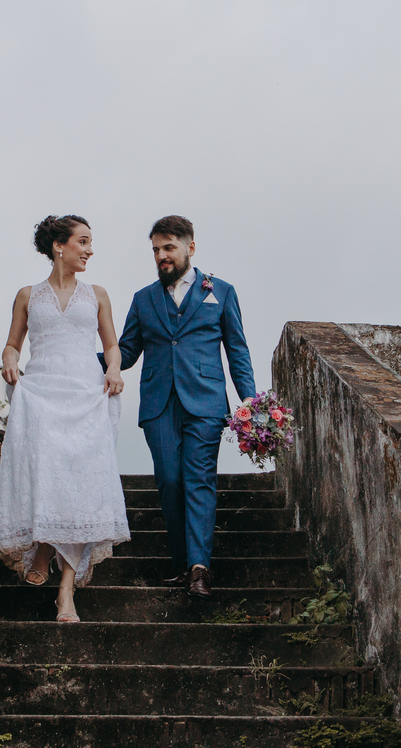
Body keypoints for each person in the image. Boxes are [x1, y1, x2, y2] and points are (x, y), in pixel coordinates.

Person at [0, 215, 131, 623]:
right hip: (43, 396)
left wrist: (114, 370)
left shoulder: (99, 294)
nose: (89, 250)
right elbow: (12, 346)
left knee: (82, 489)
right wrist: (10, 364)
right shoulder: (27, 295)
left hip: (86, 396)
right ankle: (42, 546)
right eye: (83, 242)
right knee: (51, 479)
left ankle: (66, 592)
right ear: (59, 246)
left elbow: (112, 347)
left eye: (90, 243)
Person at [113, 216, 255, 599]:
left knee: (198, 479)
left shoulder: (221, 292)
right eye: (156, 249)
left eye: (169, 247)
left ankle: (199, 567)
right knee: (170, 481)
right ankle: (182, 562)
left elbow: (237, 350)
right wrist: (83, 359)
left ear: (190, 248)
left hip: (206, 401)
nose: (161, 256)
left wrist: (252, 401)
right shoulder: (143, 299)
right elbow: (126, 352)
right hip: (159, 403)